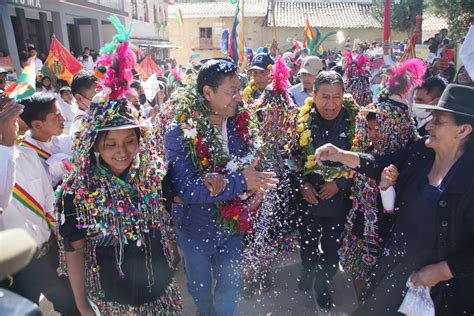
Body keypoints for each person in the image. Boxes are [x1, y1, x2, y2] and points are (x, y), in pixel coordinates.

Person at [55, 21, 182, 314]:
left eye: (129, 141)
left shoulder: (154, 178)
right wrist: (80, 302)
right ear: (95, 146)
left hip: (160, 296)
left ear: (141, 141)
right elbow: (74, 251)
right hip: (111, 302)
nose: (121, 151)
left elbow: (169, 223)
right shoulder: (76, 192)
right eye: (110, 144)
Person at [314, 84, 474, 315]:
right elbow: (379, 164)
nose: (428, 125)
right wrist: (339, 154)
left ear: (463, 130)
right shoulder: (421, 152)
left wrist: (444, 270)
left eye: (438, 121)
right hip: (396, 273)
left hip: (445, 294)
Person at [164, 59, 278, 316]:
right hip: (194, 230)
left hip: (232, 229)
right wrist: (240, 182)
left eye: (239, 89)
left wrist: (258, 187)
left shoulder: (242, 123)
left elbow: (258, 161)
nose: (240, 97)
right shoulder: (179, 132)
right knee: (200, 288)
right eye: (232, 91)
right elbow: (188, 191)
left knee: (230, 286)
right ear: (207, 93)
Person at [0, 94, 79, 315]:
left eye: (13, 118)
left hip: (48, 252)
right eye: (6, 119)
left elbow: (49, 203)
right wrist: (5, 146)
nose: (13, 125)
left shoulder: (28, 154)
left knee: (71, 306)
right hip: (16, 268)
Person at [295, 71, 356, 309]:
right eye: (325, 97)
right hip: (309, 199)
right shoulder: (300, 121)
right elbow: (290, 160)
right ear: (314, 95)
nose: (331, 104)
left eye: (337, 97)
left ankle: (322, 284)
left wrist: (340, 183)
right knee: (308, 247)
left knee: (332, 251)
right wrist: (302, 184)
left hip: (338, 202)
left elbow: (363, 160)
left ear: (344, 96)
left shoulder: (354, 122)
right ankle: (308, 272)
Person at [18, 93, 72, 187]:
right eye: (56, 116)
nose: (62, 119)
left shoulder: (66, 141)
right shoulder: (23, 156)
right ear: (37, 125)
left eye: (61, 113)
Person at [70, 72, 97, 136]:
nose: (102, 98)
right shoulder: (80, 126)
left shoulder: (94, 115)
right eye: (96, 95)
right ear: (79, 98)